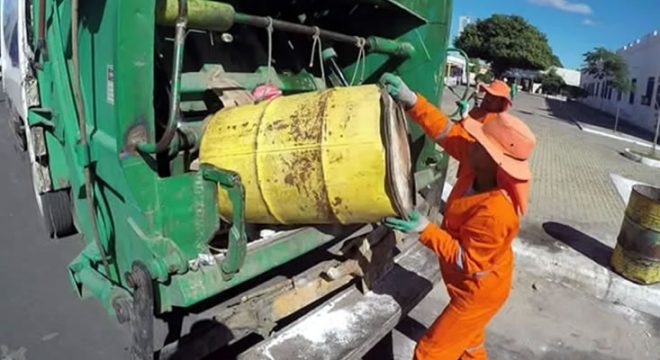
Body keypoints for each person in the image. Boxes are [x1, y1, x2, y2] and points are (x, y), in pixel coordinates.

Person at [380, 73, 536, 360]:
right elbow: (446, 132)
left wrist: (425, 229)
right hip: (465, 284)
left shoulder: (496, 212)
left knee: (430, 352)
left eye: (477, 143)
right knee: (469, 344)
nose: (469, 142)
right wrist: (413, 100)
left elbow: (468, 260)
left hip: (477, 293)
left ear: (493, 160)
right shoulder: (478, 166)